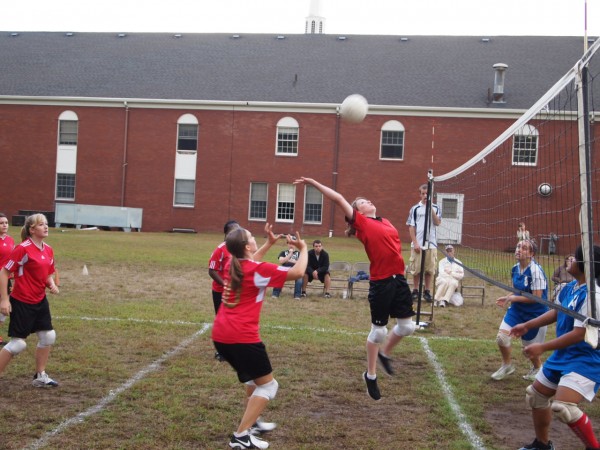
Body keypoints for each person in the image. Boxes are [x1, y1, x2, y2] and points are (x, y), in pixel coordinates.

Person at [294, 177, 415, 401]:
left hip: (399, 279)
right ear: (357, 212)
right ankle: (370, 375)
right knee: (379, 332)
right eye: (362, 202)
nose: (368, 201)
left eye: (367, 200)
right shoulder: (361, 223)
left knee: (408, 327)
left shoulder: (385, 221)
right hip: (381, 282)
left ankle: (385, 354)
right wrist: (312, 182)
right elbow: (338, 198)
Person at [212, 226, 307, 449]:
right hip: (241, 337)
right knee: (268, 386)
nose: (255, 238)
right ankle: (241, 435)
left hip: (221, 335)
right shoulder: (256, 269)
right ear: (246, 246)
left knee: (253, 381)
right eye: (252, 238)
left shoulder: (231, 263)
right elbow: (297, 273)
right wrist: (303, 250)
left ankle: (251, 425)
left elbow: (251, 261)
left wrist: (269, 244)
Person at [511, 245, 600, 450]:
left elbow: (580, 334)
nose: (568, 260)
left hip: (585, 358)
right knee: (535, 395)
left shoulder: (593, 295)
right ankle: (542, 445)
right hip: (563, 355)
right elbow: (556, 313)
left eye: (574, 259)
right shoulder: (569, 287)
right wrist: (527, 325)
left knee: (564, 408)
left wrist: (541, 347)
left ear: (585, 265)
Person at [0, 213, 60, 387]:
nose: (46, 227)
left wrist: (51, 285)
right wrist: (5, 299)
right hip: (22, 301)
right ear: (32, 230)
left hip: (39, 300)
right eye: (41, 224)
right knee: (18, 344)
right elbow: (4, 272)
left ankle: (40, 376)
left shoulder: (48, 249)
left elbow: (47, 273)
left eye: (46, 224)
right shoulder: (23, 248)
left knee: (48, 336)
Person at [492, 239, 549, 382]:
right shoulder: (514, 268)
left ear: (532, 254)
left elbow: (537, 297)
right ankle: (507, 365)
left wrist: (513, 299)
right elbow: (517, 291)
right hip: (517, 311)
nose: (519, 250)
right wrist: (508, 297)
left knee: (528, 350)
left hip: (536, 314)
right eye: (518, 246)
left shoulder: (536, 271)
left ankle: (537, 368)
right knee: (502, 337)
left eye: (524, 248)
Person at [208, 220, 240, 361]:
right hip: (220, 291)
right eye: (234, 231)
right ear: (227, 233)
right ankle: (221, 351)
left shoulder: (239, 248)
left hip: (236, 291)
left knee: (234, 320)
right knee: (222, 321)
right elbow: (212, 270)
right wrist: (225, 284)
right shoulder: (220, 249)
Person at [407, 183, 442, 303]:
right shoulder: (415, 209)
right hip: (418, 244)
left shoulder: (436, 208)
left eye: (427, 194)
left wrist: (430, 208)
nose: (424, 196)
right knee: (416, 269)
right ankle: (415, 290)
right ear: (419, 194)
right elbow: (411, 227)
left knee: (429, 269)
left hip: (431, 244)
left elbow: (437, 222)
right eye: (422, 194)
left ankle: (427, 291)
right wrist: (415, 243)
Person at [0, 213, 15, 346]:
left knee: (5, 307)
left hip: (7, 278)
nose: (4, 225)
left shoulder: (10, 240)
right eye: (1, 223)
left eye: (6, 222)